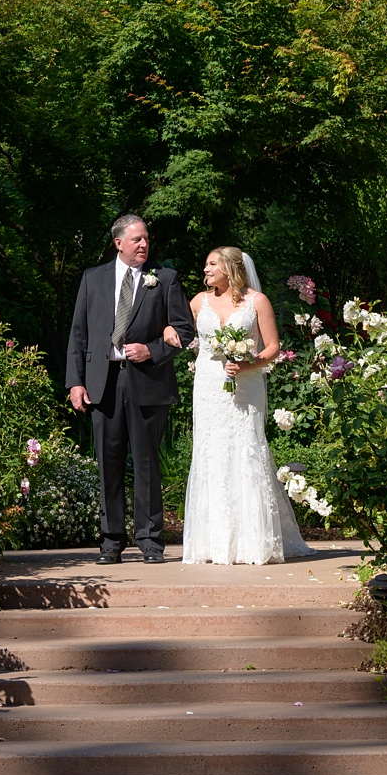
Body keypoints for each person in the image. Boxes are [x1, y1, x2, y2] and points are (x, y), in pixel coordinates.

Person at [65, 215, 196, 564]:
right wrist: (76, 381)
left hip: (147, 381)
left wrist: (152, 350)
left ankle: (150, 541)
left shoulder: (164, 279)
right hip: (102, 382)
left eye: (146, 239)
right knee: (108, 464)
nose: (143, 245)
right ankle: (111, 542)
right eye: (136, 239)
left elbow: (184, 331)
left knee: (146, 462)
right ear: (118, 243)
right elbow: (79, 333)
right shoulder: (93, 279)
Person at [178, 245, 311, 565]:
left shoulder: (257, 301)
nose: (206, 270)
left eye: (212, 264)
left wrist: (248, 364)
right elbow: (176, 329)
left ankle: (252, 542)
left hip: (246, 386)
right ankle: (214, 543)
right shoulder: (199, 301)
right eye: (206, 265)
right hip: (209, 385)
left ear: (230, 268)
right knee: (210, 451)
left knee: (247, 448)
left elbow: (274, 347)